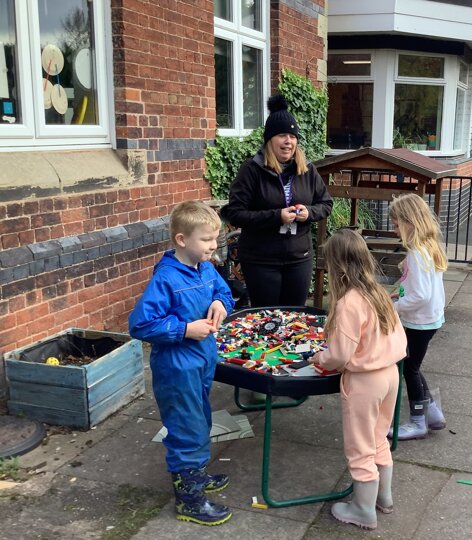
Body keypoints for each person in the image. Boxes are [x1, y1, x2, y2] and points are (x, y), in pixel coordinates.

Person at [128, 200, 235, 526]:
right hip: (177, 368)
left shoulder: (205, 268)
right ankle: (189, 500)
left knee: (199, 420)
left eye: (215, 238)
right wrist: (185, 329)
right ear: (181, 240)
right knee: (185, 427)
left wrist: (220, 303)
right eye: (206, 239)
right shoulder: (166, 278)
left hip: (201, 362)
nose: (213, 246)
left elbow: (224, 292)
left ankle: (196, 475)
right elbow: (140, 324)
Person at [309, 229, 407, 531]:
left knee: (360, 446)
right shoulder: (378, 292)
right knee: (378, 437)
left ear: (337, 265)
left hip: (365, 382)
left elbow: (339, 355)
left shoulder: (349, 302)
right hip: (390, 374)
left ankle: (363, 510)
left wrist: (320, 358)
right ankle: (383, 498)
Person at [220, 94, 333, 308]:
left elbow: (326, 204)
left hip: (299, 258)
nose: (288, 141)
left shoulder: (308, 170)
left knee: (295, 316)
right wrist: (276, 216)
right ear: (270, 139)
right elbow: (234, 213)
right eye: (282, 135)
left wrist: (309, 212)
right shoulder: (251, 170)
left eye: (292, 136)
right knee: (267, 317)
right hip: (261, 260)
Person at [388, 193, 448, 441]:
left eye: (396, 225)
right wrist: (401, 293)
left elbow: (420, 295)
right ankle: (432, 414)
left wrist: (396, 307)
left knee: (408, 369)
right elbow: (423, 288)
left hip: (419, 321)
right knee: (412, 365)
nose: (394, 230)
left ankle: (417, 422)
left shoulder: (416, 254)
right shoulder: (428, 247)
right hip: (429, 319)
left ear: (409, 222)